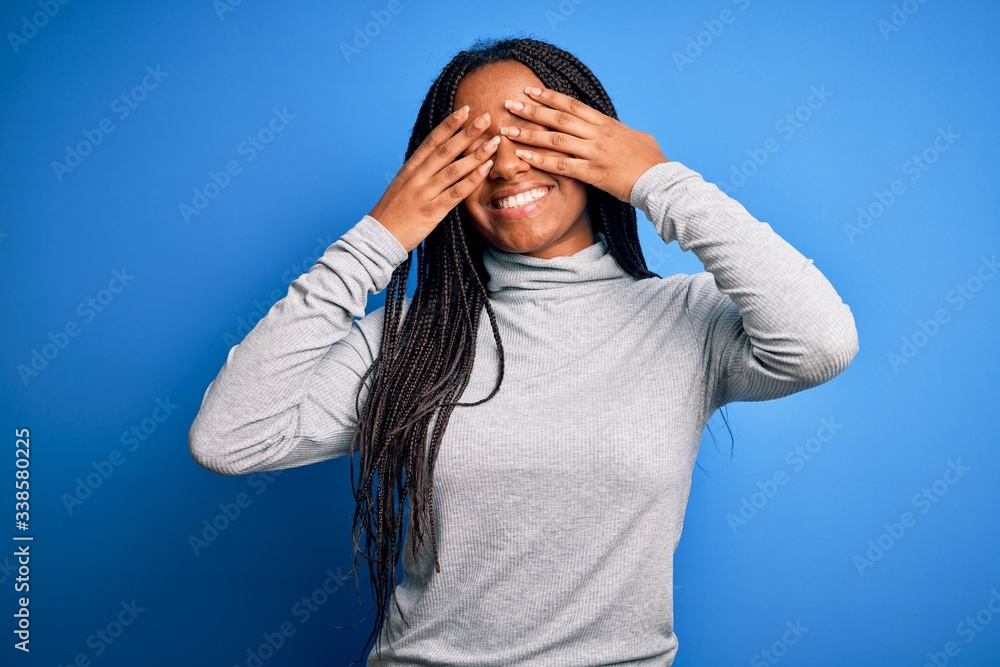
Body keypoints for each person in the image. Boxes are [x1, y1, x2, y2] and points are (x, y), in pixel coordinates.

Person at [189, 37, 859, 666]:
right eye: (476, 151)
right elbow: (229, 437)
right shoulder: (410, 339)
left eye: (533, 134)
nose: (507, 165)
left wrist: (658, 179)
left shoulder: (684, 320)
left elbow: (821, 344)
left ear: (594, 145)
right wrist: (380, 237)